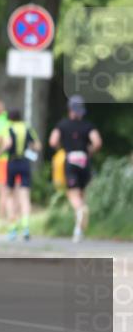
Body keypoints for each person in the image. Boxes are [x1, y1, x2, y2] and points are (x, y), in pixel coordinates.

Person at [48, 95, 102, 243]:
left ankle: (80, 212)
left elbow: (52, 141)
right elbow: (97, 142)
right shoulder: (88, 125)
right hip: (84, 161)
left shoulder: (63, 124)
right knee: (82, 195)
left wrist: (62, 148)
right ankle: (79, 230)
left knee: (73, 195)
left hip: (70, 160)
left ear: (69, 109)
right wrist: (89, 150)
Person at [0, 108, 40, 241]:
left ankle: (12, 228)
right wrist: (29, 149)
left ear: (10, 118)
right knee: (25, 196)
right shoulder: (27, 127)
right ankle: (26, 226)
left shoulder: (8, 128)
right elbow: (37, 145)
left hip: (12, 162)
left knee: (10, 195)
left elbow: (7, 144)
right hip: (25, 163)